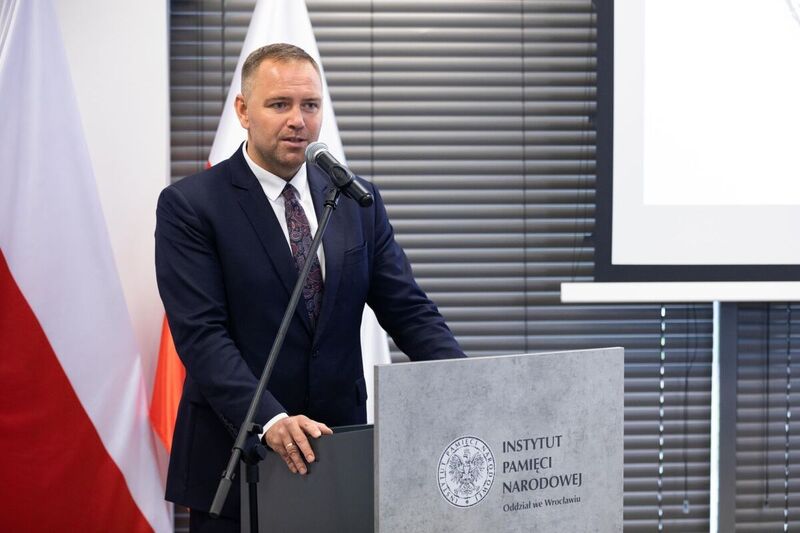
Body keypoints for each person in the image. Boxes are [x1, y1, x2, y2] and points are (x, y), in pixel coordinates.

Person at [155, 43, 464, 532]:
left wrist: (470, 384)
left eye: (310, 105)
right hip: (240, 462)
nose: (298, 120)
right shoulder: (191, 207)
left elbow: (408, 310)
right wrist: (272, 420)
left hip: (340, 454)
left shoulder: (353, 197)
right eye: (279, 105)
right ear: (243, 110)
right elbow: (203, 338)